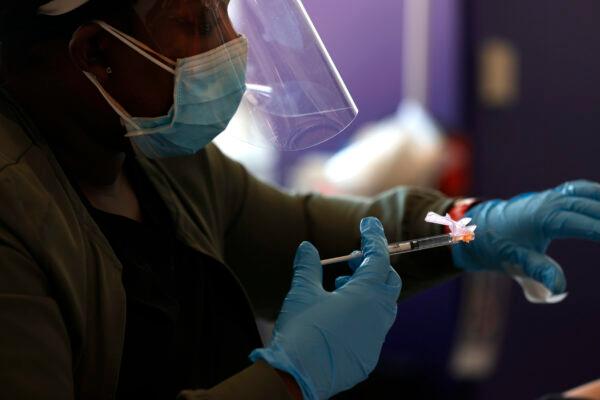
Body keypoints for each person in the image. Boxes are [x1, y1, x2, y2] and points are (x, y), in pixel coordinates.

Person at [1, 1, 600, 399]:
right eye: (199, 20)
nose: (232, 43)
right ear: (96, 54)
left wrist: (469, 226)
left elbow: (298, 234)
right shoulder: (15, 221)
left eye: (226, 11)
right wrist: (290, 382)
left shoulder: (153, 153)